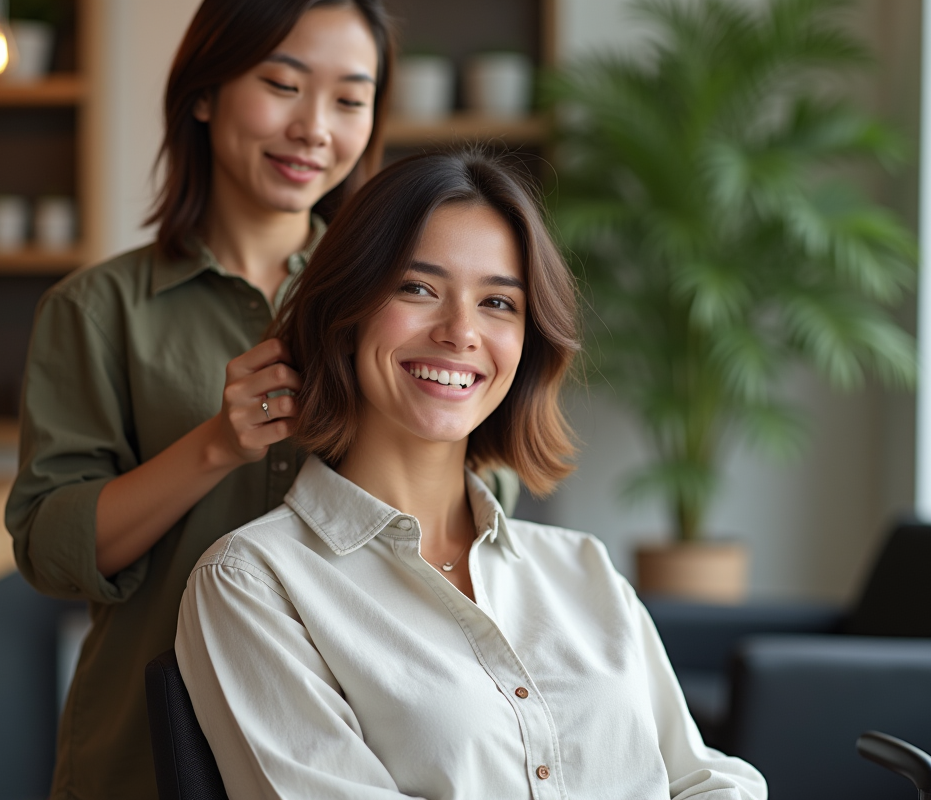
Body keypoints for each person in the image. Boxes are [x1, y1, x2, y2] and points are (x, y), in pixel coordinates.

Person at [176, 150, 769, 800]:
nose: (461, 332)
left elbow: (705, 778)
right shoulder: (254, 582)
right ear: (345, 314)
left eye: (497, 302)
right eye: (418, 289)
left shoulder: (583, 570)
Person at [4, 1, 397, 797]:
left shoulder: (391, 307)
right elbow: (50, 547)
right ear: (205, 92)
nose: (315, 127)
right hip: (147, 759)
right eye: (282, 84)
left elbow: (480, 502)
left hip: (361, 753)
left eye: (350, 99)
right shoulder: (95, 309)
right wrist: (216, 445)